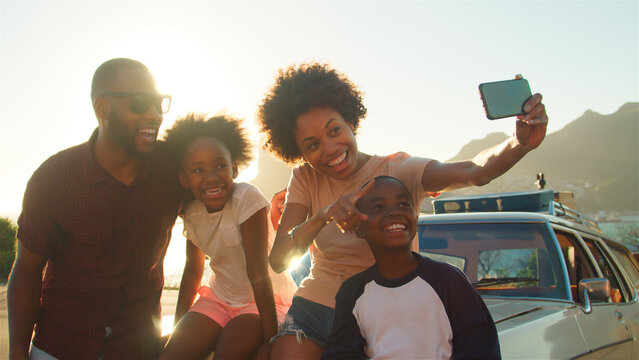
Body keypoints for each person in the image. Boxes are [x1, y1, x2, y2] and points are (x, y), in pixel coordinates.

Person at [257, 62, 547, 359]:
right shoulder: (305, 178)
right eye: (312, 145)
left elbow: (475, 171)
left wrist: (519, 143)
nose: (329, 148)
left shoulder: (397, 171)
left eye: (335, 130)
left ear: (351, 123)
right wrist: (323, 216)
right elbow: (280, 260)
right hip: (314, 309)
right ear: (299, 153)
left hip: (385, 310)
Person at [7, 58, 185, 359]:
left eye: (159, 103)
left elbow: (217, 203)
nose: (154, 115)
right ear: (103, 108)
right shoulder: (54, 179)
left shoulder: (172, 170)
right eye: (140, 102)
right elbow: (26, 271)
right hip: (61, 345)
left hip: (139, 348)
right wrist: (16, 352)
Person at [160, 114, 296, 360]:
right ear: (184, 177)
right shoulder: (191, 213)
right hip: (219, 298)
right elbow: (193, 270)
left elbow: (258, 270)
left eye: (220, 165)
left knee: (227, 354)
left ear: (234, 167)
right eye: (198, 170)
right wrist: (178, 329)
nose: (211, 176)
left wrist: (270, 341)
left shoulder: (246, 198)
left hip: (260, 302)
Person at [322, 176, 501, 360]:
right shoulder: (352, 292)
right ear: (359, 228)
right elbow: (340, 354)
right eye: (378, 207)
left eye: (403, 205)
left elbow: (481, 349)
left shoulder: (449, 280)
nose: (394, 213)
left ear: (415, 217)